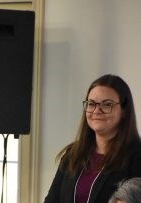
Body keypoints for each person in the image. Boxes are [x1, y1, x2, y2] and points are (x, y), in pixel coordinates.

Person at [44, 74, 141, 203]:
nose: (96, 110)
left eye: (107, 105)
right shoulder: (72, 154)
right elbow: (52, 200)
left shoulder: (136, 156)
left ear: (124, 111)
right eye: (91, 104)